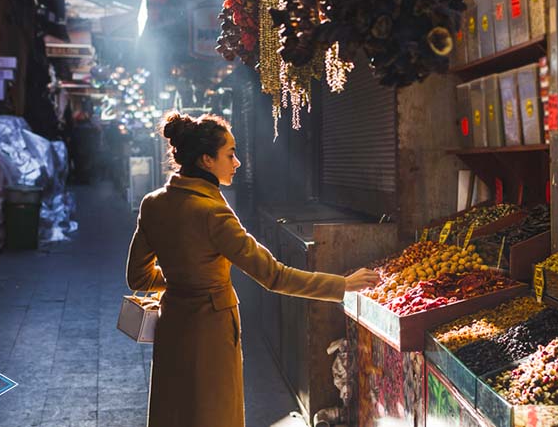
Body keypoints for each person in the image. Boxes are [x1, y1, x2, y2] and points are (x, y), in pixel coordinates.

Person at [126, 111, 380, 427]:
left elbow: (138, 277)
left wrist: (182, 279)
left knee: (175, 411)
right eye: (230, 154)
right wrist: (342, 285)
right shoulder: (214, 213)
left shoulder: (152, 203)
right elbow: (273, 276)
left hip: (172, 324)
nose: (237, 163)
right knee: (213, 412)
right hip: (212, 329)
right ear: (206, 160)